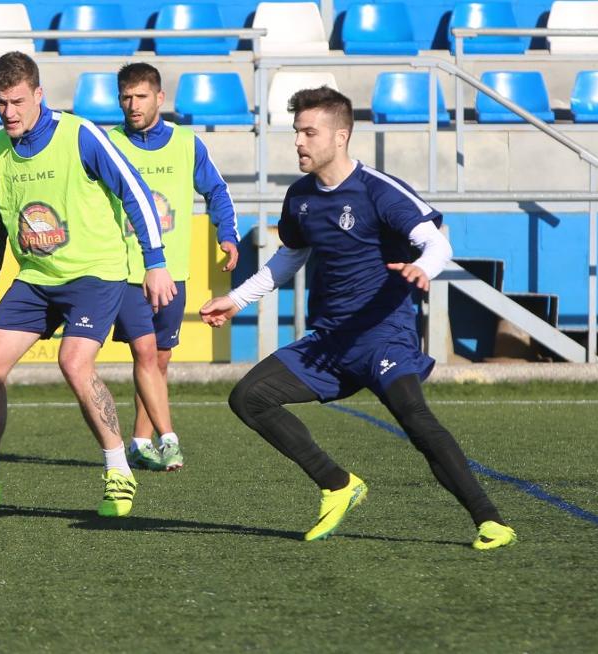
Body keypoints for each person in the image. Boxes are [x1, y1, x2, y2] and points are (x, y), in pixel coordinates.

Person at [199, 87, 517, 550]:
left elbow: (438, 244)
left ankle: (490, 521)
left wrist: (420, 268)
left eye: (310, 132)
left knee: (414, 418)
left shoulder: (377, 190)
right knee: (250, 398)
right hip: (328, 342)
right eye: (297, 132)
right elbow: (291, 258)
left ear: (341, 136)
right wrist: (238, 299)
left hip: (383, 336)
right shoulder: (301, 196)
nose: (299, 142)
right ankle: (337, 484)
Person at [0, 52, 175, 519]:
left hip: (94, 272)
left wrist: (156, 262)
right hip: (36, 277)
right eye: (1, 102)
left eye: (18, 101)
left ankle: (118, 472)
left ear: (39, 95)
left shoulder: (80, 134)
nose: (9, 112)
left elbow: (136, 191)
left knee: (73, 360)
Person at [108, 62, 239, 472]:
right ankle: (167, 441)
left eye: (141, 96)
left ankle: (139, 442)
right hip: (126, 270)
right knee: (145, 353)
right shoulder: (106, 142)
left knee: (159, 360)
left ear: (159, 98)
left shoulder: (186, 143)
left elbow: (215, 189)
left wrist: (227, 234)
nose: (133, 105)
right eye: (126, 97)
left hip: (173, 271)